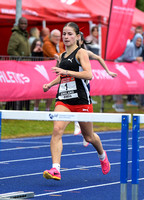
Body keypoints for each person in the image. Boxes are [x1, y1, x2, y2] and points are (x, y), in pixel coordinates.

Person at [43, 22, 112, 181]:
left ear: (77, 37)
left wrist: (66, 71)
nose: (66, 37)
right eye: (64, 34)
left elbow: (89, 75)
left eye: (69, 34)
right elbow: (62, 76)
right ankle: (56, 169)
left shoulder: (81, 53)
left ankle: (102, 155)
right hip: (64, 100)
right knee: (57, 130)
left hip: (81, 101)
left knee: (89, 137)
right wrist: (50, 84)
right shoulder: (61, 56)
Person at [74, 31, 117, 146]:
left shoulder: (85, 53)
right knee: (71, 103)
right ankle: (77, 124)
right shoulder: (67, 54)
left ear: (81, 41)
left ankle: (86, 132)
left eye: (77, 39)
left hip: (83, 85)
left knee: (84, 108)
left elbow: (99, 58)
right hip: (72, 85)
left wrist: (108, 71)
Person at [6, 17, 30, 110]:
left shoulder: (24, 34)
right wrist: (20, 58)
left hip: (25, 64)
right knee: (15, 87)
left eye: (25, 24)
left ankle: (21, 108)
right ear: (18, 24)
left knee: (23, 87)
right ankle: (10, 108)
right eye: (22, 24)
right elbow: (10, 50)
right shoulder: (16, 35)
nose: (23, 25)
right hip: (18, 65)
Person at [116, 33, 143, 107]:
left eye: (140, 41)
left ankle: (131, 100)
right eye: (137, 40)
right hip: (121, 65)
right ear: (134, 40)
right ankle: (119, 102)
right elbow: (125, 57)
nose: (138, 42)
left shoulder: (140, 48)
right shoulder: (131, 45)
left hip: (129, 67)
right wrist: (135, 59)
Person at [42, 29, 65, 111]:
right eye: (55, 36)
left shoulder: (60, 44)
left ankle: (47, 108)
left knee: (53, 88)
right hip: (46, 69)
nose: (57, 38)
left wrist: (62, 55)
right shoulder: (47, 44)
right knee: (42, 87)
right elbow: (54, 54)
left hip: (55, 68)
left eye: (59, 36)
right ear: (51, 36)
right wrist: (63, 55)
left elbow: (63, 54)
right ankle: (36, 108)